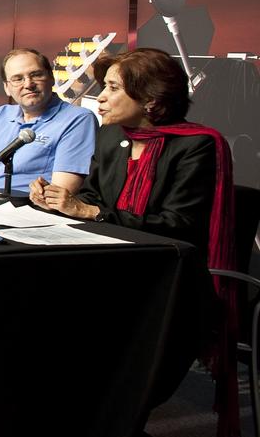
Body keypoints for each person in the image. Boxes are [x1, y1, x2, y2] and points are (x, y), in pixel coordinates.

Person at [30, 47, 238, 431]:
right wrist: (58, 202)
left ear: (151, 100)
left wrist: (92, 212)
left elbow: (178, 224)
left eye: (112, 88)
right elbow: (92, 197)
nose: (101, 97)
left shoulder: (197, 146)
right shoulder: (113, 138)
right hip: (110, 270)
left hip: (167, 285)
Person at [0, 49, 96, 195]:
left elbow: (61, 193)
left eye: (36, 75)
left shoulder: (77, 119)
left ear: (51, 78)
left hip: (29, 209)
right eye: (17, 79)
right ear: (7, 88)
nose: (28, 84)